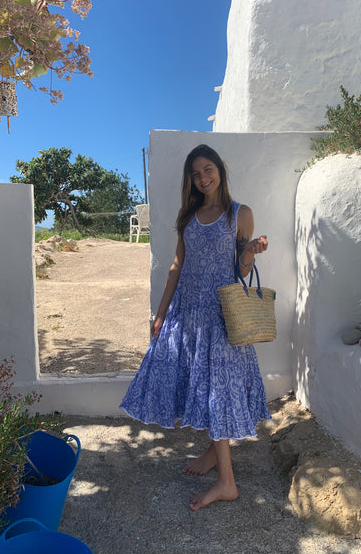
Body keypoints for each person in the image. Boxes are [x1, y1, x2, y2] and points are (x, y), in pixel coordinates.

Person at [120, 144, 271, 511]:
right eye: (196, 174)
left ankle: (227, 482)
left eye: (208, 169)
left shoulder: (240, 214)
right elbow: (176, 266)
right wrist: (160, 313)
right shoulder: (188, 216)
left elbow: (241, 269)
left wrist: (249, 252)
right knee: (199, 385)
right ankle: (211, 456)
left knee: (216, 391)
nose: (203, 178)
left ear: (220, 168)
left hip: (220, 314)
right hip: (188, 312)